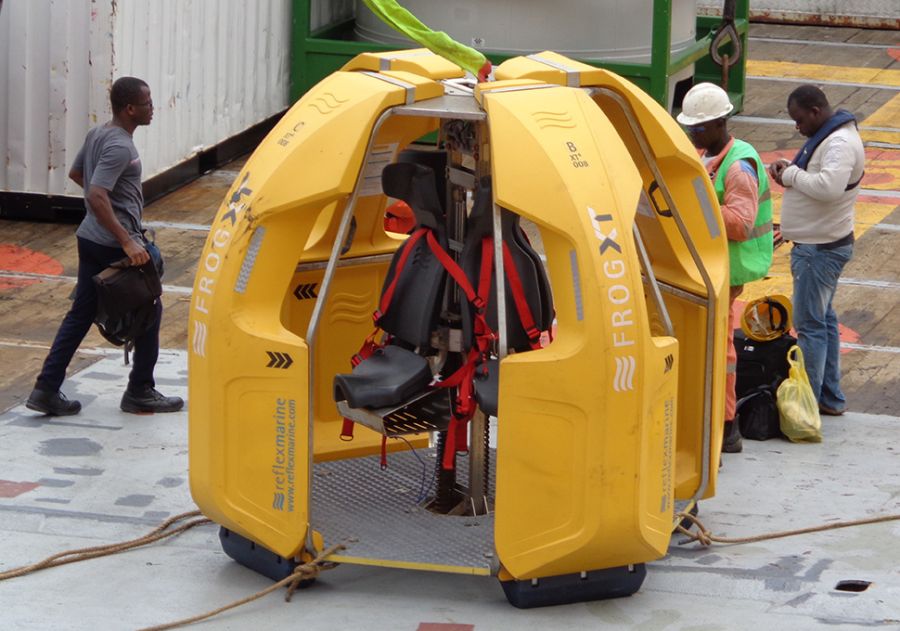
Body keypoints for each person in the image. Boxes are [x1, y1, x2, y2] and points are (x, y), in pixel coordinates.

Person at [26, 77, 184, 416]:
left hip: (90, 238)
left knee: (81, 314)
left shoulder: (98, 134)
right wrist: (126, 238)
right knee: (148, 308)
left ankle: (45, 389)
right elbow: (96, 193)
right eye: (147, 102)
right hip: (115, 245)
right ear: (130, 109)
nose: (152, 108)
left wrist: (108, 204)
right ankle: (140, 390)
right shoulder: (120, 146)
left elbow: (77, 174)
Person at [678, 83, 774, 453]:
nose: (692, 133)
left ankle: (725, 424)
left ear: (720, 122)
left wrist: (690, 208)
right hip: (707, 267)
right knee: (708, 347)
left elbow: (739, 223)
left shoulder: (739, 167)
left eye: (698, 127)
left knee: (719, 351)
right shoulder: (707, 154)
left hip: (726, 271)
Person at [768, 85, 864, 417]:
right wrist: (790, 169)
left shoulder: (838, 143)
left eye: (799, 120)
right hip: (820, 244)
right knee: (822, 321)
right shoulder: (832, 136)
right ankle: (829, 397)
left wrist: (791, 174)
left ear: (815, 111)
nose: (797, 127)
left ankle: (804, 405)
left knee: (810, 325)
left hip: (820, 251)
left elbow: (828, 188)